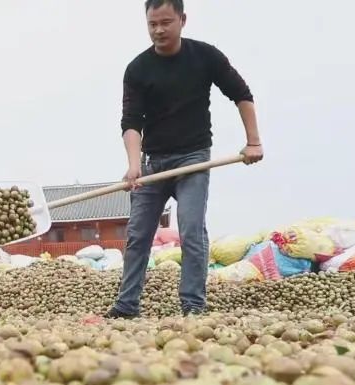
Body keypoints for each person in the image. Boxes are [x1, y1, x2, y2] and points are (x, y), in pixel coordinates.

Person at [105, 0, 263, 319]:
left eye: (166, 22)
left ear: (182, 19)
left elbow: (241, 94)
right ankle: (126, 305)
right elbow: (131, 122)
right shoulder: (138, 69)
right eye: (153, 24)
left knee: (191, 229)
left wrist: (253, 142)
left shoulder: (205, 57)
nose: (159, 30)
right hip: (153, 163)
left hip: (194, 159)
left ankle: (192, 304)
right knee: (137, 235)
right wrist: (134, 165)